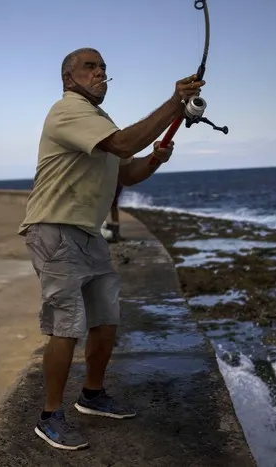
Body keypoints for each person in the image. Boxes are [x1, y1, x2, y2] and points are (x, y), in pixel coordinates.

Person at [18, 47, 203, 451]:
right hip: (54, 228)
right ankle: (49, 417)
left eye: (103, 67)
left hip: (87, 232)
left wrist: (154, 158)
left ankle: (93, 394)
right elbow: (122, 146)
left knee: (106, 318)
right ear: (69, 78)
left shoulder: (99, 121)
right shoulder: (67, 111)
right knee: (67, 323)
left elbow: (127, 172)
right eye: (90, 66)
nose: (100, 71)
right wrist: (175, 102)